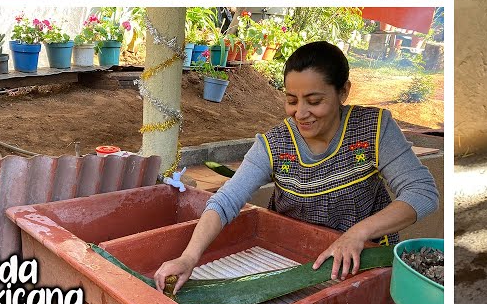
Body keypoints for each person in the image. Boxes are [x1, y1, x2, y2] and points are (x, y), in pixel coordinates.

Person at [153, 42, 439, 287]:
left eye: (314, 101)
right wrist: (188, 257)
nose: (301, 113)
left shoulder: (374, 129)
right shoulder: (275, 144)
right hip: (292, 261)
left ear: (343, 92)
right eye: (291, 100)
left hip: (364, 261)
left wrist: (357, 234)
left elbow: (422, 192)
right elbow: (227, 200)